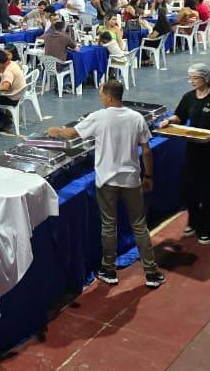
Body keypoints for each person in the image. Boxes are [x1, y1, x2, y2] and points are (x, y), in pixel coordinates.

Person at [48, 79, 163, 288]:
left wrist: (56, 131)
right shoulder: (136, 118)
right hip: (131, 180)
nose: (101, 98)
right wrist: (148, 177)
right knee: (139, 225)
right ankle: (152, 272)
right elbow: (146, 150)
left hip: (107, 181)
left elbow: (72, 133)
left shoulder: (99, 117)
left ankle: (108, 270)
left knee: (109, 225)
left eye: (102, 94)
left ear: (109, 96)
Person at [159, 63, 210, 244]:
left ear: (205, 79)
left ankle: (209, 229)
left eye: (195, 78)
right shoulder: (189, 97)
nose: (191, 81)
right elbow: (180, 116)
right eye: (190, 78)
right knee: (190, 186)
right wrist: (169, 121)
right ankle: (194, 221)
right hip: (195, 147)